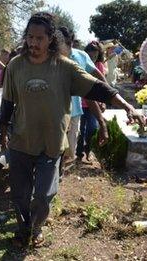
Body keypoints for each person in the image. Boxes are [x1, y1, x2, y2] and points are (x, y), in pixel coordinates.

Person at [0, 12, 144, 248]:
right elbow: (7, 102)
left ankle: (37, 227)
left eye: (39, 38)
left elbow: (98, 88)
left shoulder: (65, 67)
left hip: (51, 143)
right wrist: (3, 131)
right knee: (20, 194)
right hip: (21, 142)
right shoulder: (15, 66)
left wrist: (128, 107)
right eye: (30, 38)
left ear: (51, 40)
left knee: (45, 195)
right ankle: (24, 228)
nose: (33, 43)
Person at [57, 28, 108, 166]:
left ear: (71, 42)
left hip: (76, 109)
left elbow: (98, 76)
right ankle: (58, 169)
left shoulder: (81, 56)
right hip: (57, 112)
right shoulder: (50, 58)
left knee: (71, 147)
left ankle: (67, 161)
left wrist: (107, 95)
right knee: (58, 146)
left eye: (66, 42)